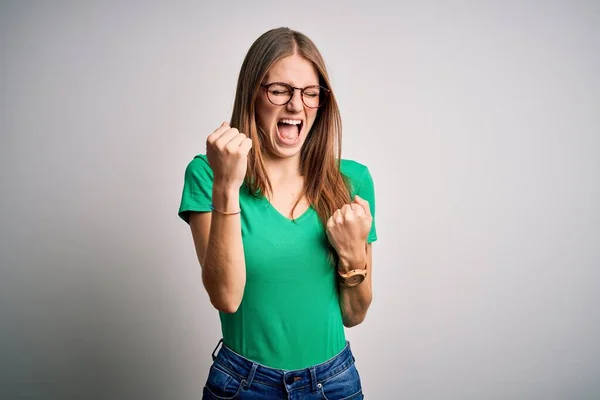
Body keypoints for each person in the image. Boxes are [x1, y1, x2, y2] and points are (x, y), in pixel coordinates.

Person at [178, 27, 377, 400]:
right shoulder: (207, 173)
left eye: (310, 93)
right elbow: (226, 297)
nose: (296, 106)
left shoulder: (352, 181)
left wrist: (353, 254)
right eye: (280, 90)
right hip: (244, 385)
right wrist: (226, 185)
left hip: (334, 383)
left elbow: (355, 314)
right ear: (252, 94)